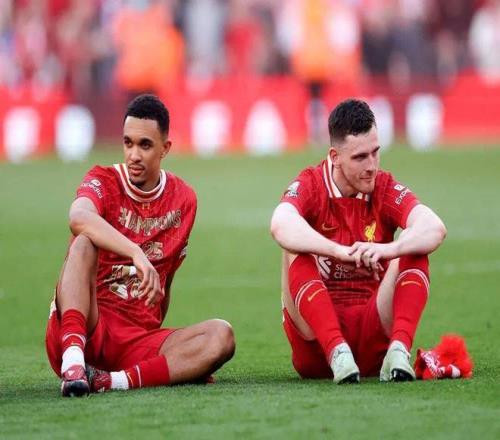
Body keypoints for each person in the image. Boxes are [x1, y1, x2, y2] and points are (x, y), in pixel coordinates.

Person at [46, 94, 235, 397]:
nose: (133, 155)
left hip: (135, 340)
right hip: (89, 327)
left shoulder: (184, 199)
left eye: (145, 145)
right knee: (83, 243)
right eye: (128, 143)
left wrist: (181, 355)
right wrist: (135, 252)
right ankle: (74, 363)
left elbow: (166, 282)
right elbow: (78, 217)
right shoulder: (103, 180)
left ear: (165, 148)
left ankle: (112, 381)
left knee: (221, 336)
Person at [270, 99, 446, 384]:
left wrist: (388, 249)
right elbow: (280, 223)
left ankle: (398, 351)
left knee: (415, 246)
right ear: (335, 156)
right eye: (360, 157)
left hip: (372, 336)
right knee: (294, 248)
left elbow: (434, 227)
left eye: (376, 152)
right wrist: (337, 251)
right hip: (317, 348)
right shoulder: (312, 184)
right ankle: (337, 351)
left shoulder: (383, 187)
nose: (372, 166)